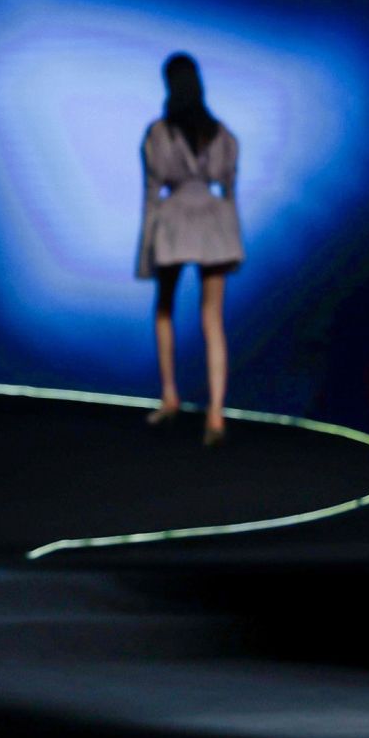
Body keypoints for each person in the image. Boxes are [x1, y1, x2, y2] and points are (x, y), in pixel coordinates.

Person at [135, 51, 242, 445]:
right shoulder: (220, 133)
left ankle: (170, 395)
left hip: (175, 222)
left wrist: (146, 250)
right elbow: (229, 189)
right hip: (212, 223)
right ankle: (215, 412)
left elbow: (152, 191)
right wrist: (232, 237)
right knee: (212, 318)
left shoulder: (159, 133)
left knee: (165, 309)